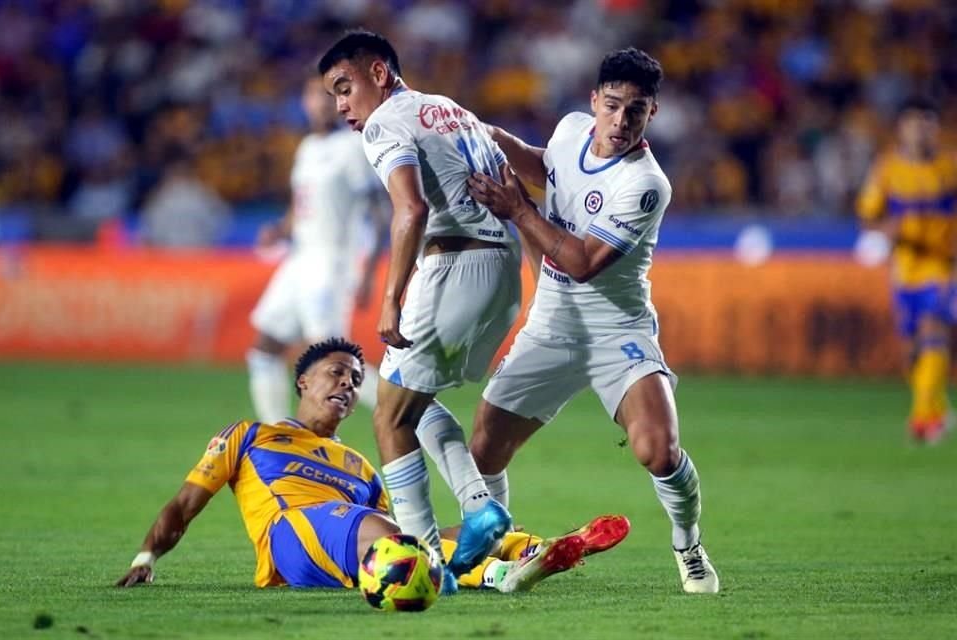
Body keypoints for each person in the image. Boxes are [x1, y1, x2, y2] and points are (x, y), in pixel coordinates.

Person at [464, 48, 720, 594]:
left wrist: (517, 210)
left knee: (658, 450)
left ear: (653, 113)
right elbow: (544, 166)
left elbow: (579, 263)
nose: (621, 121)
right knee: (483, 447)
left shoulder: (646, 184)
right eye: (613, 106)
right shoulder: (571, 130)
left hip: (617, 332)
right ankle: (498, 550)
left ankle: (688, 542)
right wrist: (490, 137)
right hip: (551, 327)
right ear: (593, 102)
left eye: (636, 110)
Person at [115, 338, 630, 593]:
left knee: (426, 539)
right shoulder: (252, 435)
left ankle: (525, 549)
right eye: (335, 373)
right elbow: (184, 505)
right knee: (386, 534)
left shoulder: (360, 465)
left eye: (356, 379)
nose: (347, 385)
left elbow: (405, 533)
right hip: (290, 537)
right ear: (302, 383)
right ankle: (495, 573)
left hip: (355, 543)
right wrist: (146, 559)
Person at [317, 30, 521, 586]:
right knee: (406, 397)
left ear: (379, 73)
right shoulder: (447, 108)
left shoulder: (386, 123)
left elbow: (411, 209)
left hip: (453, 265)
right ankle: (479, 506)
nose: (341, 107)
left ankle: (424, 561)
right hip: (503, 266)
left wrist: (390, 297)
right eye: (333, 95)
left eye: (345, 87)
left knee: (388, 416)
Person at [246, 65, 388, 423]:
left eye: (329, 96)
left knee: (332, 359)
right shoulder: (308, 148)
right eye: (313, 95)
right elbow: (300, 204)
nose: (320, 104)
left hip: (332, 263)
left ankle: (400, 409)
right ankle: (276, 434)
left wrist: (369, 271)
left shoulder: (353, 148)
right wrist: (280, 229)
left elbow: (380, 213)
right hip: (299, 260)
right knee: (264, 348)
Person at [857, 95, 957, 444]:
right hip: (904, 269)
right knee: (913, 349)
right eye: (914, 123)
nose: (920, 130)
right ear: (902, 129)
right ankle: (938, 408)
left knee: (934, 330)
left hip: (942, 266)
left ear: (935, 128)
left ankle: (922, 421)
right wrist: (889, 230)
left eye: (927, 123)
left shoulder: (950, 166)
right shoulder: (888, 169)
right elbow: (869, 219)